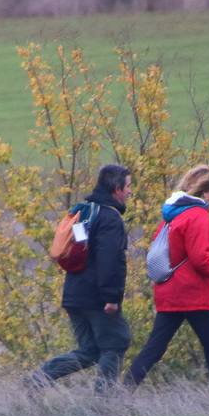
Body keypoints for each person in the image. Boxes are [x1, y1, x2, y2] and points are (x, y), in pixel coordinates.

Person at [126, 165, 209, 393]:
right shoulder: (198, 216)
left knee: (154, 349)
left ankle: (121, 392)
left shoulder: (171, 215)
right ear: (204, 192)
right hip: (193, 295)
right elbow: (200, 260)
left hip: (168, 291)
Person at [34, 164, 133, 393]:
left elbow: (79, 253)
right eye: (127, 186)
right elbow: (110, 260)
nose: (129, 192)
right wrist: (111, 297)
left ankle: (38, 379)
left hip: (74, 294)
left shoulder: (85, 212)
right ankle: (103, 405)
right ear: (116, 188)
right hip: (97, 298)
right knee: (116, 342)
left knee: (90, 351)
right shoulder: (109, 218)